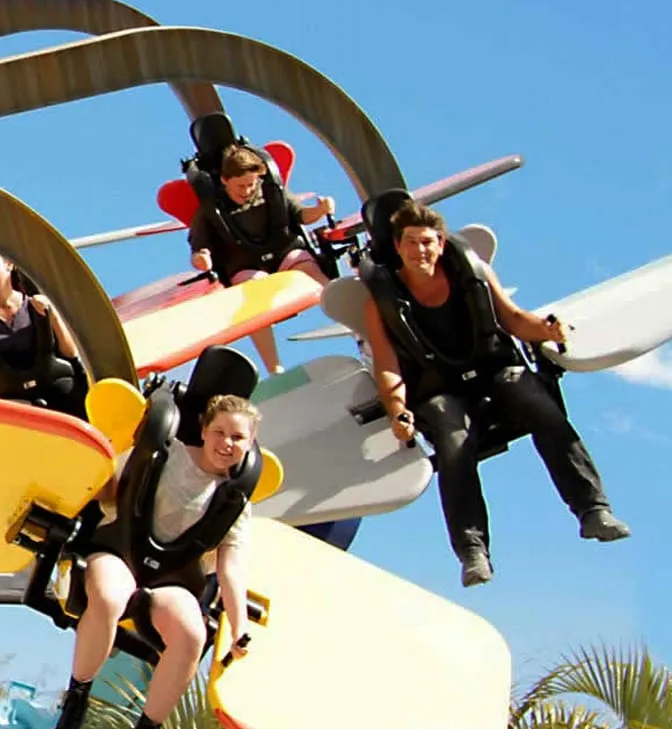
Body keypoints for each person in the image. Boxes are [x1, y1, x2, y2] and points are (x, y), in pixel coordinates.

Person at [359, 199, 628, 587]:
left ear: (441, 244)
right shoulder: (382, 299)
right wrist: (397, 410)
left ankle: (593, 510)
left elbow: (514, 319)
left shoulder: (473, 272)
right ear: (398, 246)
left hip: (494, 370)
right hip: (439, 389)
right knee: (454, 440)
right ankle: (472, 551)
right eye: (412, 242)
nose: (421, 250)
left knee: (542, 407)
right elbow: (387, 364)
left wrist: (548, 330)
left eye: (429, 242)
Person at [46, 393, 260, 729]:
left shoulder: (235, 502)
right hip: (118, 551)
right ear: (203, 429)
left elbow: (231, 568)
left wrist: (239, 628)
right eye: (220, 432)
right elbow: (106, 488)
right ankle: (76, 702)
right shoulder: (164, 453)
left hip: (171, 582)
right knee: (109, 598)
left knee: (193, 636)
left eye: (238, 437)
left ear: (249, 444)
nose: (227, 443)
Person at [188, 144, 336, 375]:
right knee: (255, 296)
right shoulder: (211, 210)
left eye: (251, 184)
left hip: (284, 252)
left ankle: (359, 327)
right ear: (225, 181)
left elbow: (301, 215)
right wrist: (202, 258)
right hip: (247, 266)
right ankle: (274, 368)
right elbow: (199, 246)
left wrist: (321, 210)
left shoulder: (273, 192)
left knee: (309, 269)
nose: (247, 191)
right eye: (240, 186)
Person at [0, 244, 88, 418]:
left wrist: (52, 316)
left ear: (9, 264)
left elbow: (70, 353)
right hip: (10, 402)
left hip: (54, 391)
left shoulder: (35, 304)